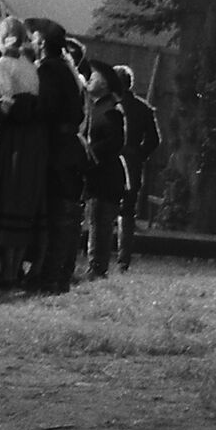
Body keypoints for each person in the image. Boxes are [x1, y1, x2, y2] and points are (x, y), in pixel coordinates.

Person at [0, 16, 44, 288]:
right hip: (31, 140)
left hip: (10, 138)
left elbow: (1, 107)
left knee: (5, 197)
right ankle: (14, 268)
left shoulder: (2, 67)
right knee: (21, 201)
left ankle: (4, 271)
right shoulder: (31, 67)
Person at [26, 17, 88, 294]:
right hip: (70, 147)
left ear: (41, 42)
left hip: (58, 149)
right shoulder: (67, 69)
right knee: (66, 215)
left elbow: (46, 108)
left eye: (34, 38)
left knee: (57, 215)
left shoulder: (49, 69)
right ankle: (59, 274)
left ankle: (51, 276)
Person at [82, 60, 127, 281]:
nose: (90, 78)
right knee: (94, 219)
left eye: (96, 76)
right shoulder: (97, 106)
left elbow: (115, 141)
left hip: (106, 175)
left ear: (106, 84)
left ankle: (98, 267)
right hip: (97, 172)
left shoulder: (110, 110)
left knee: (100, 221)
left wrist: (89, 151)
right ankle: (95, 265)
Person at [113, 63, 161, 272]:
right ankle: (123, 259)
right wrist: (139, 154)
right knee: (127, 210)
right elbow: (154, 139)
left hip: (112, 159)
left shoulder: (110, 106)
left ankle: (99, 255)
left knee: (103, 207)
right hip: (132, 162)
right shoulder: (143, 108)